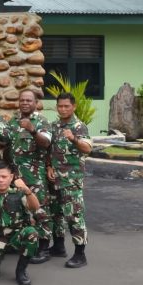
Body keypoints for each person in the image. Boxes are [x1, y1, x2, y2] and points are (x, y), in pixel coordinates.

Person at [6, 89, 53, 264]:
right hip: (16, 175)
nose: (25, 103)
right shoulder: (13, 121)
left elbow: (46, 143)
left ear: (35, 103)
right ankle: (22, 243)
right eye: (22, 100)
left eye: (28, 100)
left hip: (34, 176)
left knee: (40, 210)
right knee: (18, 209)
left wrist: (33, 130)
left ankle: (44, 248)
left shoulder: (41, 121)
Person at [47, 92, 93, 268]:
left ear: (73, 107)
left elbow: (87, 149)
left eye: (66, 106)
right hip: (55, 179)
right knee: (56, 214)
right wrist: (49, 166)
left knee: (74, 216)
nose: (63, 109)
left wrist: (73, 138)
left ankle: (80, 254)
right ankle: (58, 246)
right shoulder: (54, 126)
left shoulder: (79, 126)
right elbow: (49, 150)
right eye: (60, 106)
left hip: (71, 180)